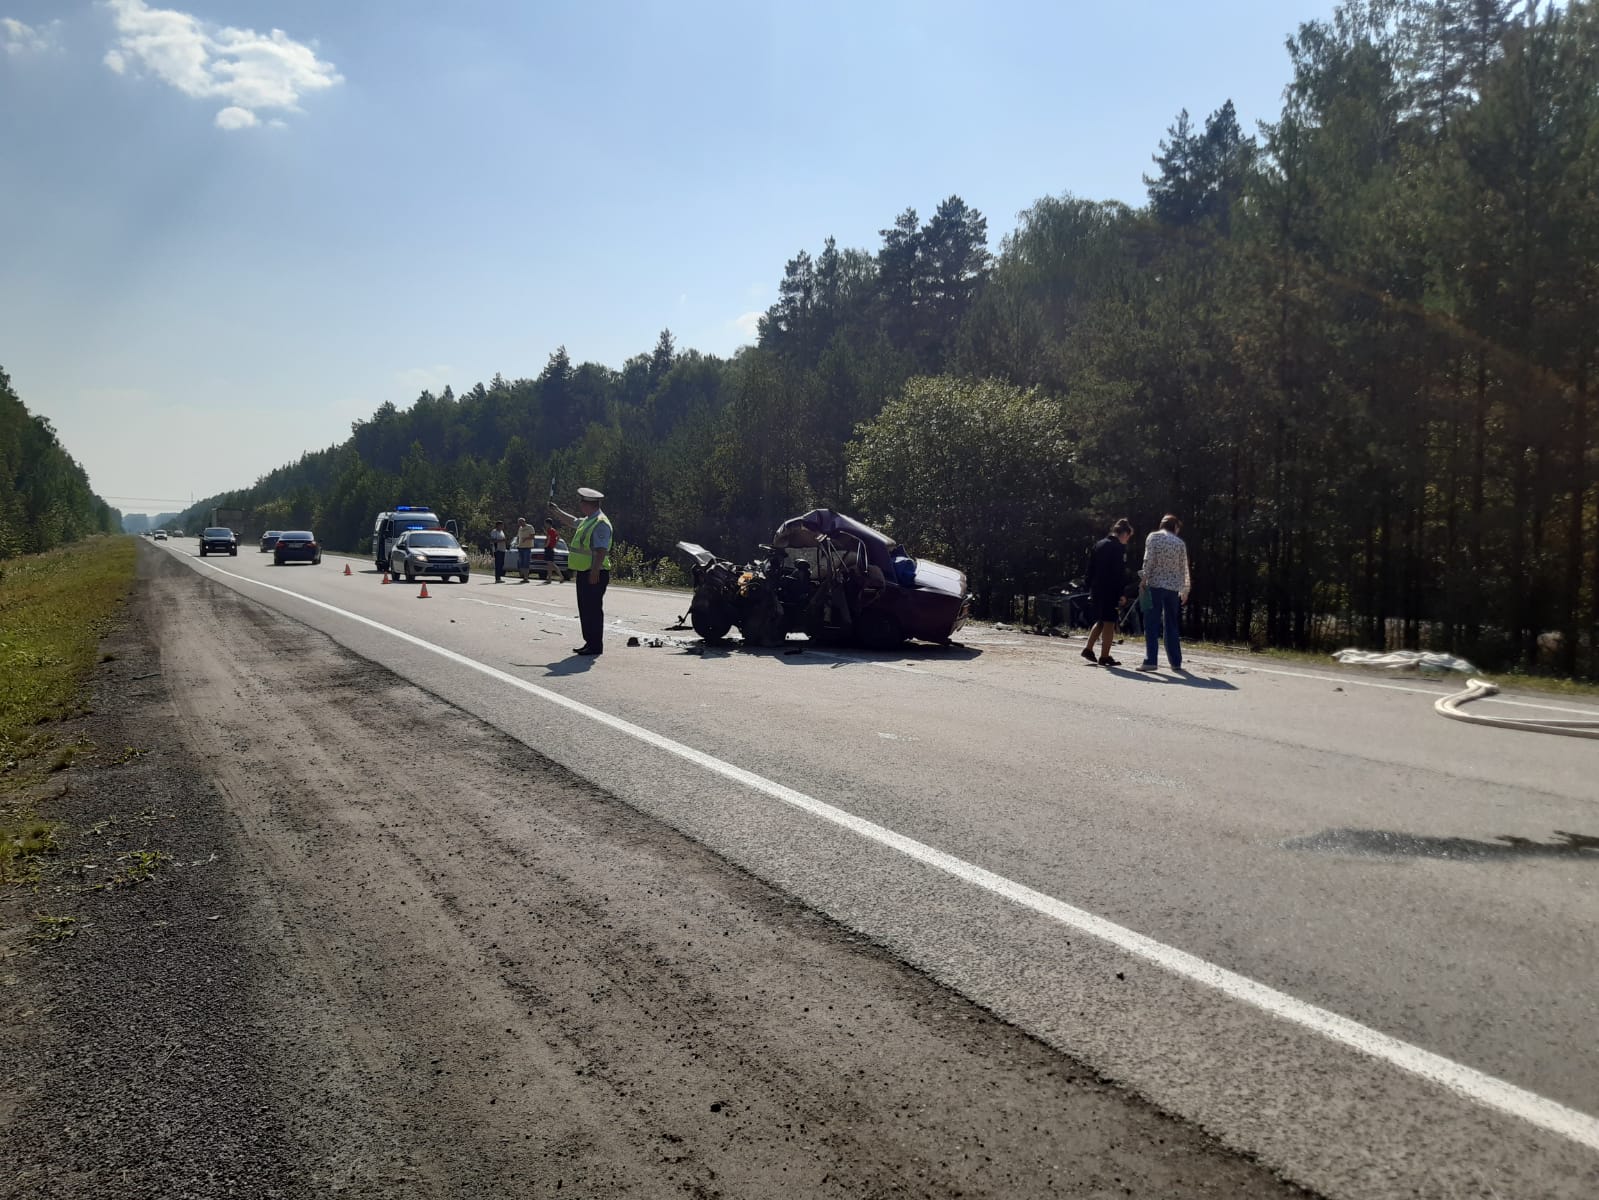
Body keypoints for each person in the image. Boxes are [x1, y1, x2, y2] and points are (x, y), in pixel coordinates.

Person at [549, 487, 612, 656]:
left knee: (593, 610)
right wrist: (556, 511)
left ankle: (595, 645)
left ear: (590, 504)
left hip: (595, 572)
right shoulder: (588, 520)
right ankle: (589, 642)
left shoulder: (600, 523)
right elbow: (572, 521)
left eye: (582, 502)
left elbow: (601, 550)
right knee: (585, 609)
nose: (580, 505)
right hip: (584, 572)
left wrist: (594, 571)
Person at [1137, 514, 1191, 672]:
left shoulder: (1154, 537)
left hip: (1155, 585)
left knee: (1151, 623)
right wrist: (1185, 590)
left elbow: (1149, 559)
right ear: (1175, 527)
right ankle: (1176, 662)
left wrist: (1143, 579)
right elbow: (1184, 568)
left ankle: (1150, 660)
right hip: (1173, 589)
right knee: (1171, 624)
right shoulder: (1179, 543)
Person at [1081, 518, 1134, 666]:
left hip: (1097, 588)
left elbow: (1090, 568)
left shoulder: (1099, 544)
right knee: (1110, 622)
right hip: (1110, 589)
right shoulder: (1117, 548)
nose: (1127, 540)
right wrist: (1121, 593)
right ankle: (1104, 656)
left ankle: (1088, 648)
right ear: (1124, 533)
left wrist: (1088, 587)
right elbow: (1118, 573)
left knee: (1101, 620)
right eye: (1128, 537)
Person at [514, 517, 536, 582]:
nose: (520, 523)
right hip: (520, 547)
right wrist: (517, 544)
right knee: (521, 563)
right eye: (519, 522)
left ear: (524, 521)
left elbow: (533, 536)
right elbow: (518, 537)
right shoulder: (520, 528)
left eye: (521, 522)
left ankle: (526, 577)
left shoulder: (530, 527)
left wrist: (526, 538)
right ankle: (523, 577)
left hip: (527, 547)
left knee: (526, 562)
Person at [542, 517, 560, 584]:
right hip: (550, 547)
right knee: (551, 564)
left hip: (549, 548)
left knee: (550, 564)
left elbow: (549, 539)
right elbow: (558, 537)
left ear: (548, 524)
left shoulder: (550, 530)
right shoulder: (554, 530)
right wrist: (555, 544)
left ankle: (550, 579)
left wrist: (546, 545)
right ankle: (552, 577)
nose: (545, 525)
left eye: (545, 523)